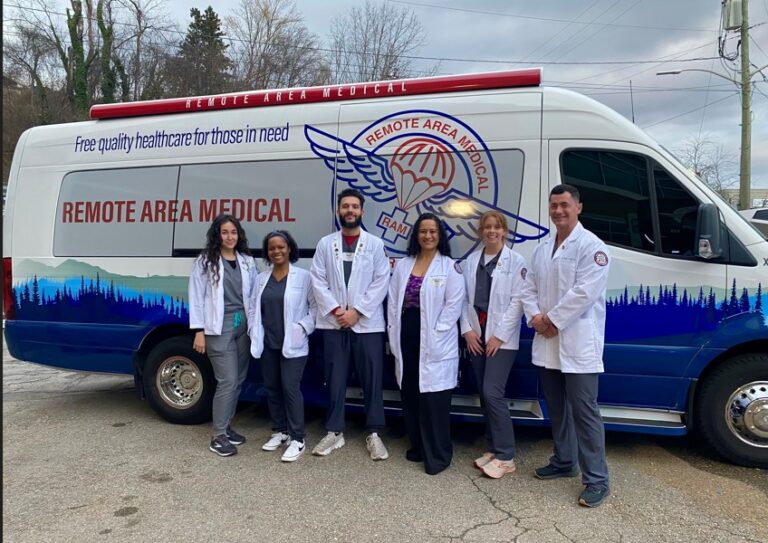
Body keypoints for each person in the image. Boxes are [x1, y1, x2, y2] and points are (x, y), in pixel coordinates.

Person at [522, 184, 611, 507]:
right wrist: (535, 315)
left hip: (575, 342)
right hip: (548, 343)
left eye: (564, 205)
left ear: (578, 208)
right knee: (557, 407)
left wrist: (551, 321)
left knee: (585, 413)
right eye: (553, 205)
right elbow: (528, 286)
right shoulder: (543, 247)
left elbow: (584, 293)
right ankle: (564, 462)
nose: (558, 211)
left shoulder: (593, 247)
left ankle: (597, 480)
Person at [309, 188, 391, 460]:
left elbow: (382, 281)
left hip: (367, 325)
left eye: (355, 206)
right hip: (334, 324)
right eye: (345, 206)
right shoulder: (325, 244)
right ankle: (334, 432)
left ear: (362, 212)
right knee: (335, 379)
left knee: (372, 379)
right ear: (338, 211)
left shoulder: (375, 245)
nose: (350, 211)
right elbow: (317, 280)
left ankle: (375, 434)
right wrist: (336, 310)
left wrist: (357, 312)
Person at [387, 213, 465, 475]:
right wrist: (393, 332)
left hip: (435, 338)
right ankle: (417, 446)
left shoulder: (449, 267)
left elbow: (454, 305)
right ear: (416, 235)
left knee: (434, 400)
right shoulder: (403, 265)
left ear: (440, 235)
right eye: (423, 231)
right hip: (406, 336)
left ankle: (438, 455)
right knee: (411, 394)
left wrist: (438, 331)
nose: (428, 236)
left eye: (433, 232)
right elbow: (393, 301)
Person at [460, 211, 527, 479]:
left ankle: (507, 455)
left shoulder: (516, 261)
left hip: (502, 339)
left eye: (496, 227)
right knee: (483, 393)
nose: (491, 231)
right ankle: (492, 448)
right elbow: (463, 299)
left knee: (492, 392)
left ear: (504, 231)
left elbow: (518, 302)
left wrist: (499, 335)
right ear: (480, 232)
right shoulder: (471, 261)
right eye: (487, 227)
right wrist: (467, 331)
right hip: (477, 335)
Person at [189, 214, 257, 457]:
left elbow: (253, 294)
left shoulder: (247, 261)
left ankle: (226, 427)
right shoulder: (205, 261)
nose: (230, 236)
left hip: (243, 323)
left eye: (234, 232)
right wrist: (198, 330)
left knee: (238, 379)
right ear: (217, 235)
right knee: (227, 380)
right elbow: (196, 296)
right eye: (225, 232)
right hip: (218, 326)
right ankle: (217, 436)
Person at [249, 230, 317, 462]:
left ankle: (298, 438)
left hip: (294, 344)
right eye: (272, 248)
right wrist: (253, 331)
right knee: (272, 388)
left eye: (281, 247)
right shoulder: (261, 279)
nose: (276, 251)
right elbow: (253, 309)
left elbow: (315, 309)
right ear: (267, 252)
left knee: (290, 388)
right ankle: (280, 431)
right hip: (268, 343)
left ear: (289, 249)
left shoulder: (303, 277)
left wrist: (302, 328)